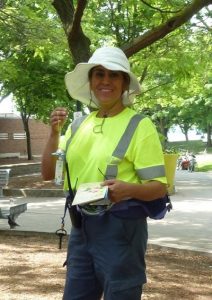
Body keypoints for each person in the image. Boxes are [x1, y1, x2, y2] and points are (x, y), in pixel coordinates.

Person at [42, 46, 167, 300]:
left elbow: (159, 187)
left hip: (120, 229)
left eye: (114, 75)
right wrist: (54, 134)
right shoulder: (78, 125)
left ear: (124, 83)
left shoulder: (139, 125)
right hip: (82, 228)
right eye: (99, 74)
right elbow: (47, 173)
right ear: (91, 81)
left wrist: (129, 189)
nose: (106, 81)